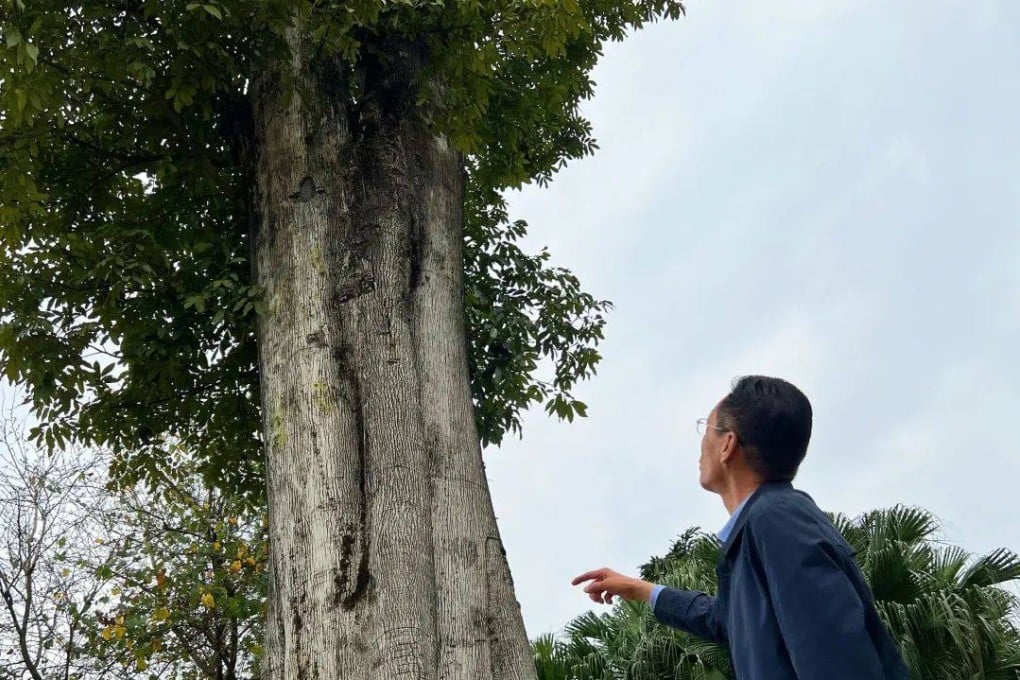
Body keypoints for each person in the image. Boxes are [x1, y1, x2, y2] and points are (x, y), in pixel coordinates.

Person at [572, 376, 910, 679]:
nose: (701, 444)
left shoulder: (777, 520)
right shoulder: (765, 525)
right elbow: (726, 618)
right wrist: (639, 589)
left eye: (706, 428)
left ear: (727, 444)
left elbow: (836, 660)